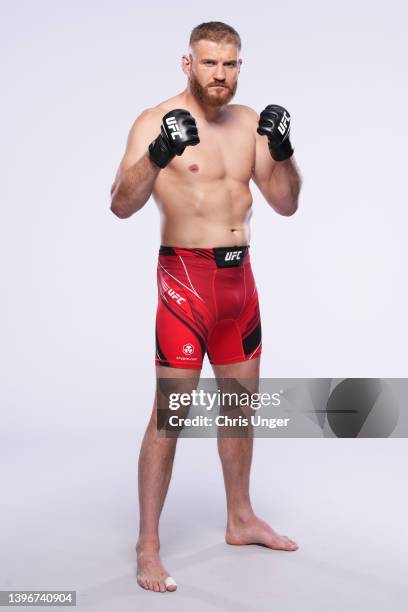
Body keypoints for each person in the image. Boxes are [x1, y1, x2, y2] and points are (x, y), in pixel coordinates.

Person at [110, 21, 302, 594]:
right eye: (210, 63)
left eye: (230, 64)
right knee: (170, 417)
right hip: (185, 285)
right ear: (187, 63)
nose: (220, 75)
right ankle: (148, 544)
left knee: (240, 409)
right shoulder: (155, 120)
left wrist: (285, 153)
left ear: (240, 66)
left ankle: (240, 519)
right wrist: (157, 152)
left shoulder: (250, 126)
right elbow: (121, 204)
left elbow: (286, 203)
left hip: (239, 285)